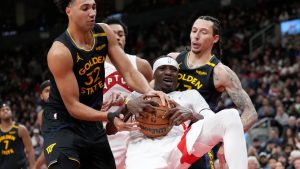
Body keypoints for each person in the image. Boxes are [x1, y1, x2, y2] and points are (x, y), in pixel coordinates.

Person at [42, 0, 167, 169]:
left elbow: (129, 72)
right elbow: (73, 106)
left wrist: (149, 91)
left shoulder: (103, 32)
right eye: (85, 8)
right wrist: (109, 116)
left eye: (93, 7)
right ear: (68, 11)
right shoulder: (60, 52)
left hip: (91, 126)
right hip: (63, 124)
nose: (92, 13)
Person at [123, 56, 247, 169]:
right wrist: (127, 105)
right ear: (153, 74)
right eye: (162, 68)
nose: (168, 72)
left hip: (179, 147)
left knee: (231, 115)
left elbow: (213, 120)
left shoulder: (190, 95)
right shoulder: (136, 96)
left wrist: (191, 115)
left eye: (173, 70)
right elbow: (112, 128)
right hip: (144, 149)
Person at [168, 15, 258, 168]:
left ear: (215, 38)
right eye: (194, 31)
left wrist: (228, 138)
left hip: (198, 138)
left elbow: (251, 113)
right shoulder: (172, 60)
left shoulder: (220, 72)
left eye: (203, 32)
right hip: (167, 133)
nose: (196, 36)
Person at [102, 17, 152, 169]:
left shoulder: (141, 64)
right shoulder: (91, 68)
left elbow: (151, 95)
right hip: (107, 132)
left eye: (121, 34)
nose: (117, 37)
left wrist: (127, 99)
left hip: (138, 130)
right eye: (112, 33)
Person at [0, 103, 35, 169]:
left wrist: (33, 167)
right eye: (2, 110)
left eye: (8, 109)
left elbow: (30, 150)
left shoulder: (21, 129)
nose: (5, 111)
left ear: (12, 113)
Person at [33, 80, 51, 169]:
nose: (50, 93)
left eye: (53, 91)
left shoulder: (68, 107)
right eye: (47, 91)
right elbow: (48, 144)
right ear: (41, 96)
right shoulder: (41, 115)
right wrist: (36, 166)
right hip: (54, 154)